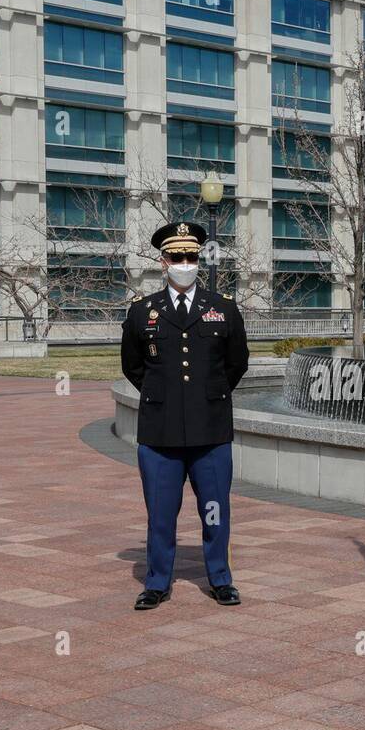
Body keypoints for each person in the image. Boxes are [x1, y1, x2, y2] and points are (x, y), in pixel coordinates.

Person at [121, 221, 249, 610]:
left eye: (191, 257)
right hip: (160, 435)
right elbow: (133, 366)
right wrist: (167, 397)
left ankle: (220, 579)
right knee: (160, 515)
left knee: (214, 512)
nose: (185, 263)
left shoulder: (223, 308)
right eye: (177, 257)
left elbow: (236, 364)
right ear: (163, 261)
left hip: (210, 431)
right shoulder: (143, 312)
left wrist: (202, 397)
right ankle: (157, 582)